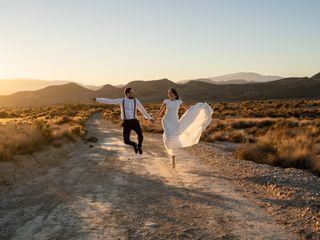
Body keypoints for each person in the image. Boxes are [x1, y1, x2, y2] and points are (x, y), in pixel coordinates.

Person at [154, 88, 213, 168]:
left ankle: (173, 160)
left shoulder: (179, 102)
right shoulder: (166, 101)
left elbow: (188, 109)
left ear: (175, 94)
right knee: (169, 138)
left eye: (171, 92)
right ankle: (170, 151)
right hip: (166, 120)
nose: (169, 94)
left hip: (175, 122)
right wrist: (154, 118)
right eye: (169, 93)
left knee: (175, 138)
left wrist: (197, 110)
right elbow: (160, 111)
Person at [93, 87, 153, 154]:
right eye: (132, 93)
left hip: (134, 121)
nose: (133, 94)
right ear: (128, 93)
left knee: (141, 136)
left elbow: (142, 109)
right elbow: (110, 101)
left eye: (133, 92)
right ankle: (134, 144)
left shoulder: (136, 101)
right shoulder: (122, 100)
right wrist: (97, 99)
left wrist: (150, 118)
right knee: (126, 141)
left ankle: (139, 146)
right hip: (126, 122)